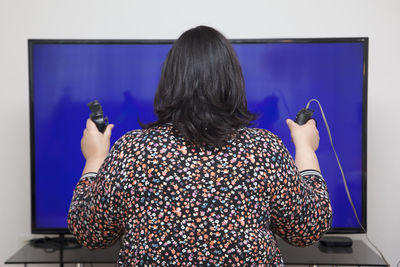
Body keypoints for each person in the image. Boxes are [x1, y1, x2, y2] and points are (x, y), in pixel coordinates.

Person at [68, 25, 332, 266]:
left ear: (170, 80)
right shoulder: (265, 148)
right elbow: (307, 229)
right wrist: (306, 148)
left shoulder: (130, 150)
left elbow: (91, 233)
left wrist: (95, 157)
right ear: (232, 81)